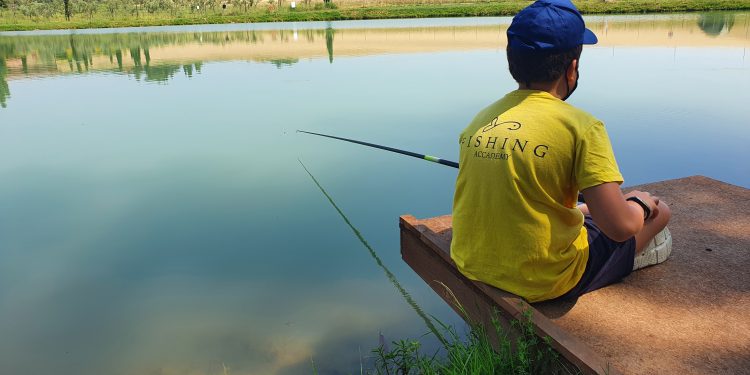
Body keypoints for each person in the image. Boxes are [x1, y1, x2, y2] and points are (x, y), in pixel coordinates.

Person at [450, 0, 672, 303]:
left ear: (512, 62)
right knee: (659, 213)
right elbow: (621, 228)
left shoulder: (481, 119)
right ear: (572, 68)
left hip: (472, 263)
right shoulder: (582, 126)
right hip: (546, 281)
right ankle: (627, 260)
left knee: (590, 209)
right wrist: (641, 205)